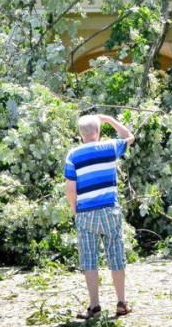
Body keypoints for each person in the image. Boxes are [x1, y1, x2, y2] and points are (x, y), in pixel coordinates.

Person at [64, 113, 135, 319]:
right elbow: (129, 137)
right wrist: (110, 120)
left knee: (89, 260)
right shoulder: (110, 147)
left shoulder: (73, 155)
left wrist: (74, 211)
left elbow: (70, 188)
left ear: (80, 133)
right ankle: (121, 303)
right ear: (99, 131)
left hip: (86, 213)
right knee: (116, 256)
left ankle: (94, 306)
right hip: (109, 210)